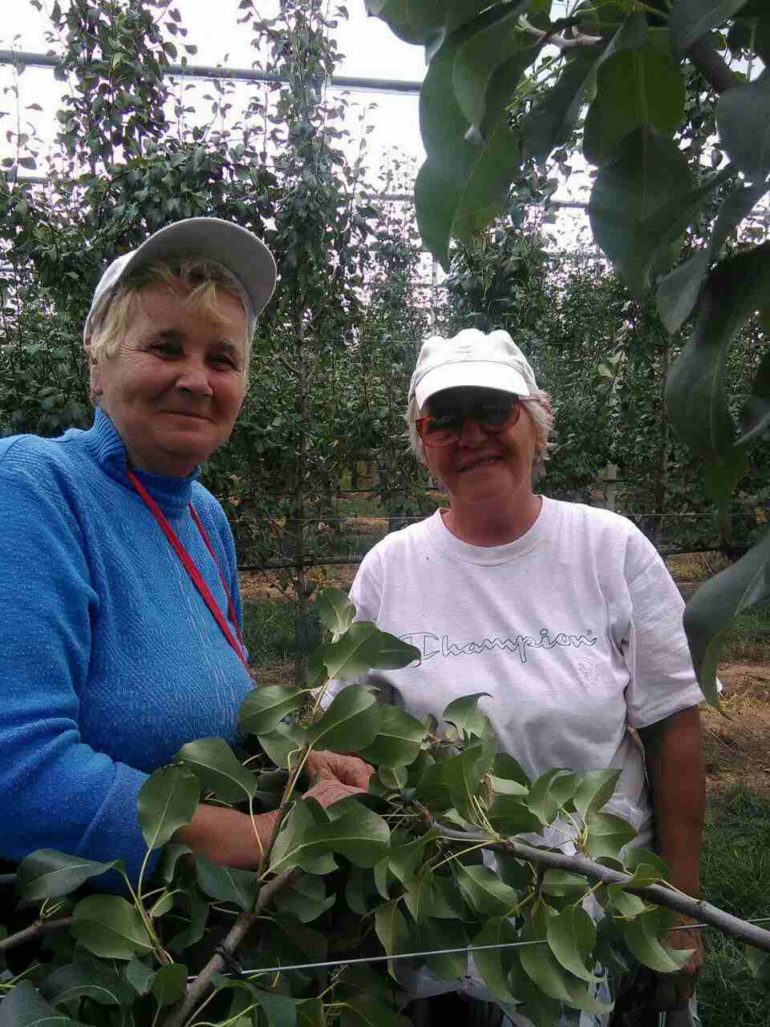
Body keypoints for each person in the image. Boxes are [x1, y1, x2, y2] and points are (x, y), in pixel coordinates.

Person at [335, 329, 705, 1025]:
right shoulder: (390, 568)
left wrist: (682, 911)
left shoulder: (610, 547)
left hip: (599, 910)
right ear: (424, 442)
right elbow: (348, 731)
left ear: (535, 423)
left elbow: (674, 727)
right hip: (449, 927)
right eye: (444, 418)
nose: (469, 434)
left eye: (492, 409)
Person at [0, 218, 369, 885]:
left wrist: (294, 755)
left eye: (221, 359)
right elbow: (17, 770)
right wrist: (254, 835)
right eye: (166, 347)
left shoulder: (204, 519)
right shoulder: (33, 488)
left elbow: (210, 698)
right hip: (81, 953)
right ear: (98, 362)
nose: (197, 379)